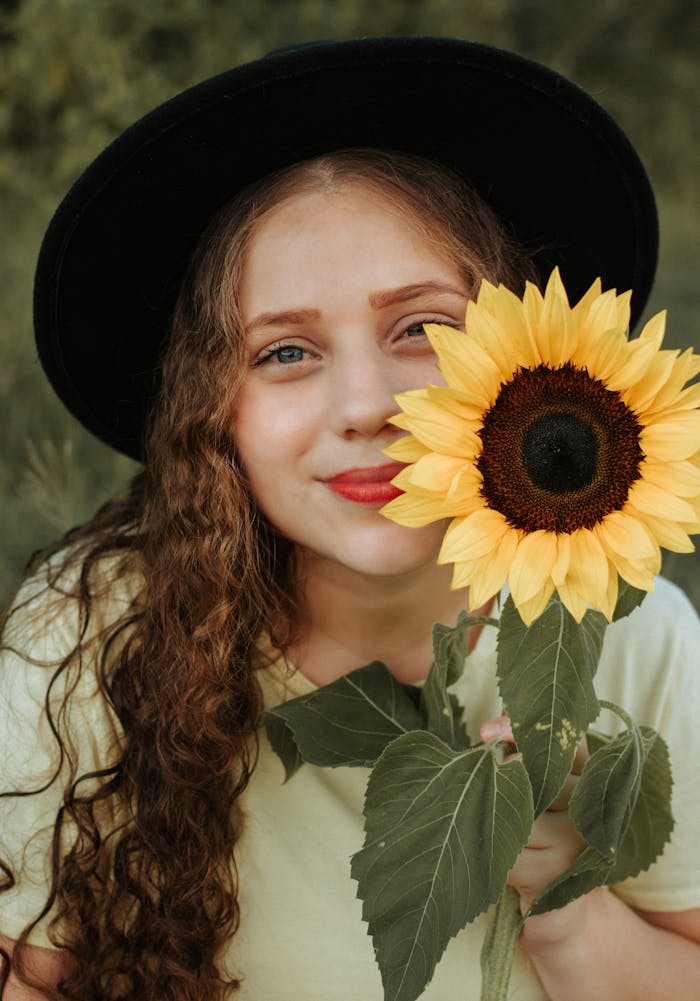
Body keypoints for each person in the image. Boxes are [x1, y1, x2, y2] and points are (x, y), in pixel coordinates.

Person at [1, 36, 699, 1001]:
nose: (367, 403)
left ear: (523, 351)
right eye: (284, 352)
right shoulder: (96, 636)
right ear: (214, 412)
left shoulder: (632, 644)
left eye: (421, 327)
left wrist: (564, 903)